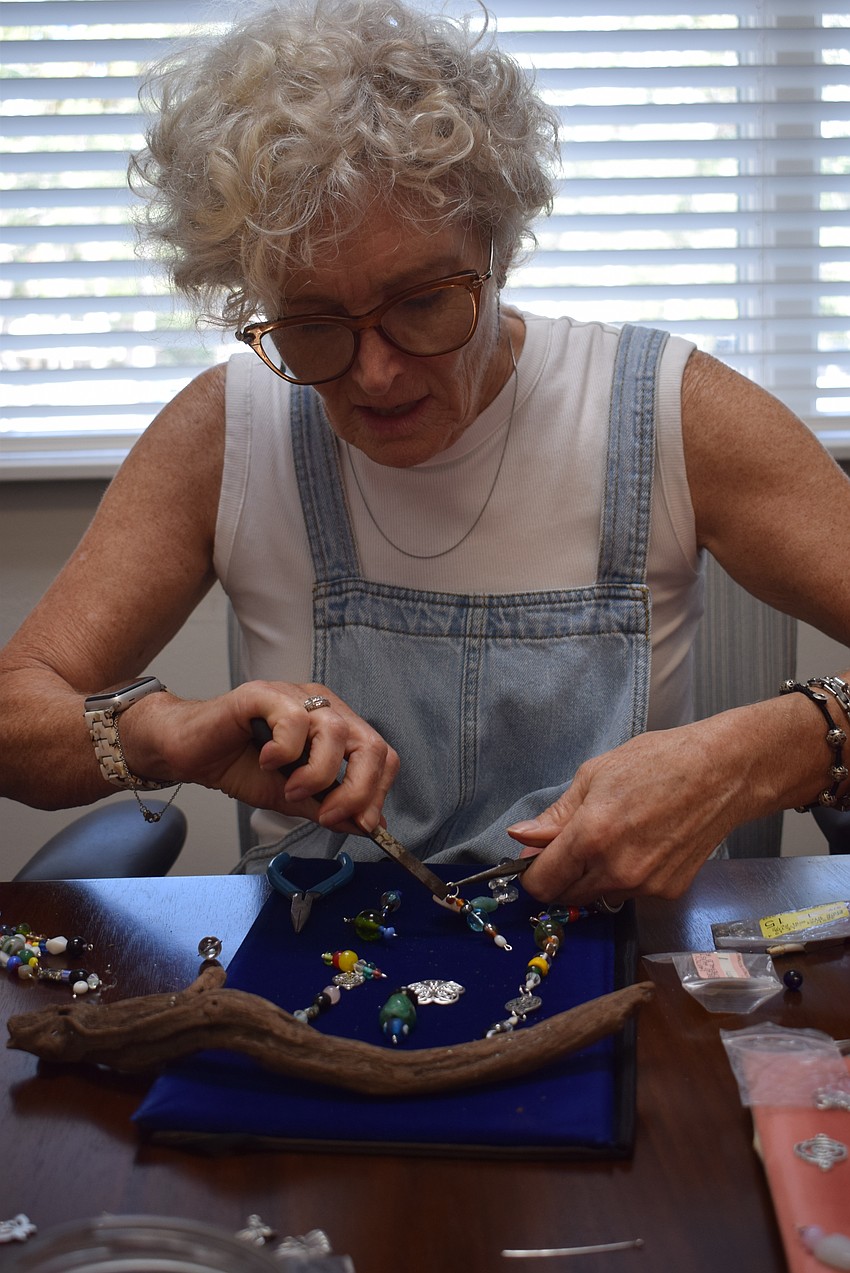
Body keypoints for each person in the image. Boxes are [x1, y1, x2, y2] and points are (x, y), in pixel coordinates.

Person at [0, 0, 848, 905]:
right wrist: (164, 732)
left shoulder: (664, 411)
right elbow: (17, 714)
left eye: (421, 302)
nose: (373, 373)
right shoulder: (227, 430)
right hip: (312, 965)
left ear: (498, 248)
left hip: (611, 961)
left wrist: (773, 748)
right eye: (314, 324)